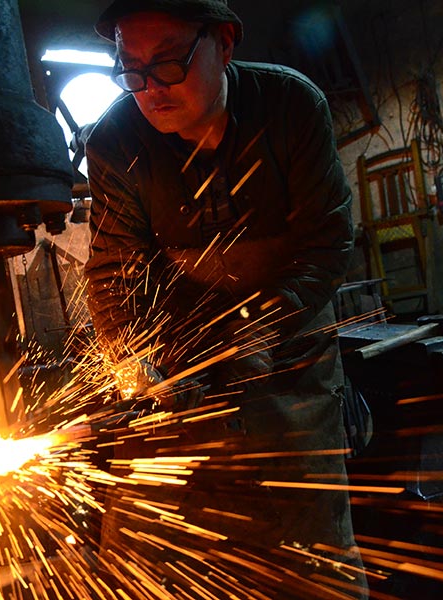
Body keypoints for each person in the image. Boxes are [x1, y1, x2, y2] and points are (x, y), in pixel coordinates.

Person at [83, 0, 367, 598]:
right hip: (181, 363)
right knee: (147, 543)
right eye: (130, 70)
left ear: (225, 43)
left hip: (290, 352)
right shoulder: (115, 139)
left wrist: (256, 330)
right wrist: (130, 355)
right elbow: (113, 269)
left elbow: (327, 243)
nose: (149, 89)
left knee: (308, 547)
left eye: (167, 64)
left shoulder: (290, 106)